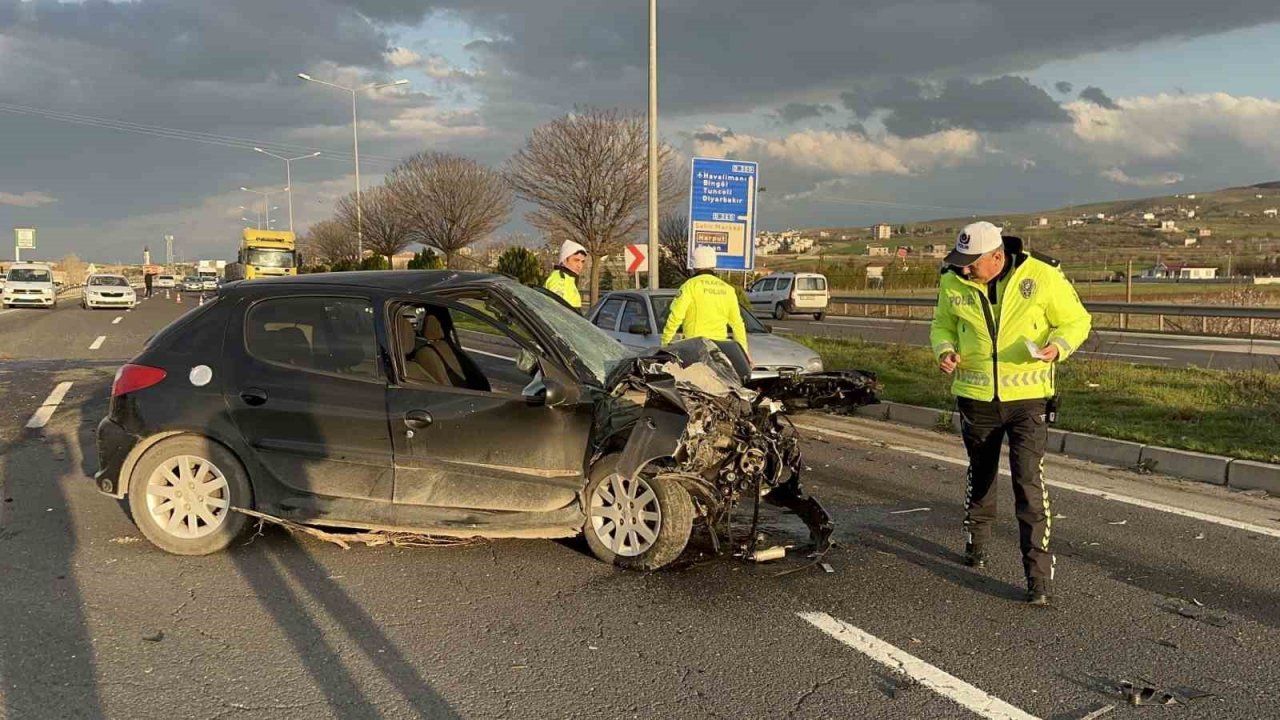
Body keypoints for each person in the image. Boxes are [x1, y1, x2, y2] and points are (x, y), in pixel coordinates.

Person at [929, 221, 1091, 606]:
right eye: (961, 261)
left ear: (997, 257)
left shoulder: (1042, 275)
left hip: (1028, 399)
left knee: (1028, 483)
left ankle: (1038, 577)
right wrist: (944, 350)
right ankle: (976, 540)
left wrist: (1059, 346)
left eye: (972, 262)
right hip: (976, 396)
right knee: (981, 473)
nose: (965, 268)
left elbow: (1077, 320)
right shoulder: (953, 280)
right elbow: (942, 325)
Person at [660, 246, 749, 358]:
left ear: (694, 265)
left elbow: (675, 317)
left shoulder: (690, 286)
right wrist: (744, 353)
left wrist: (665, 344)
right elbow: (737, 324)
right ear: (714, 264)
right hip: (720, 350)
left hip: (695, 347)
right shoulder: (727, 289)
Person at [543, 240, 588, 310]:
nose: (579, 265)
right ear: (564, 260)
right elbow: (555, 310)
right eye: (576, 260)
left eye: (582, 262)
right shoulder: (559, 279)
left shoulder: (569, 279)